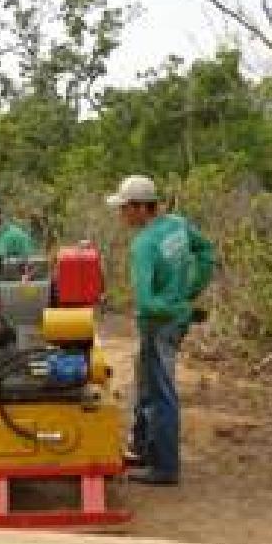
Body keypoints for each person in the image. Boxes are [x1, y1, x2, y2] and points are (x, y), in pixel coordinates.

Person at [106, 174, 215, 485]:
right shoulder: (178, 225)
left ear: (141, 208)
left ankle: (165, 467)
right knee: (147, 384)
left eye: (125, 208)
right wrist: (189, 292)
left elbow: (146, 302)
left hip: (159, 324)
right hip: (175, 321)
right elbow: (206, 252)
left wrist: (177, 306)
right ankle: (144, 449)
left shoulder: (145, 244)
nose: (121, 214)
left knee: (160, 392)